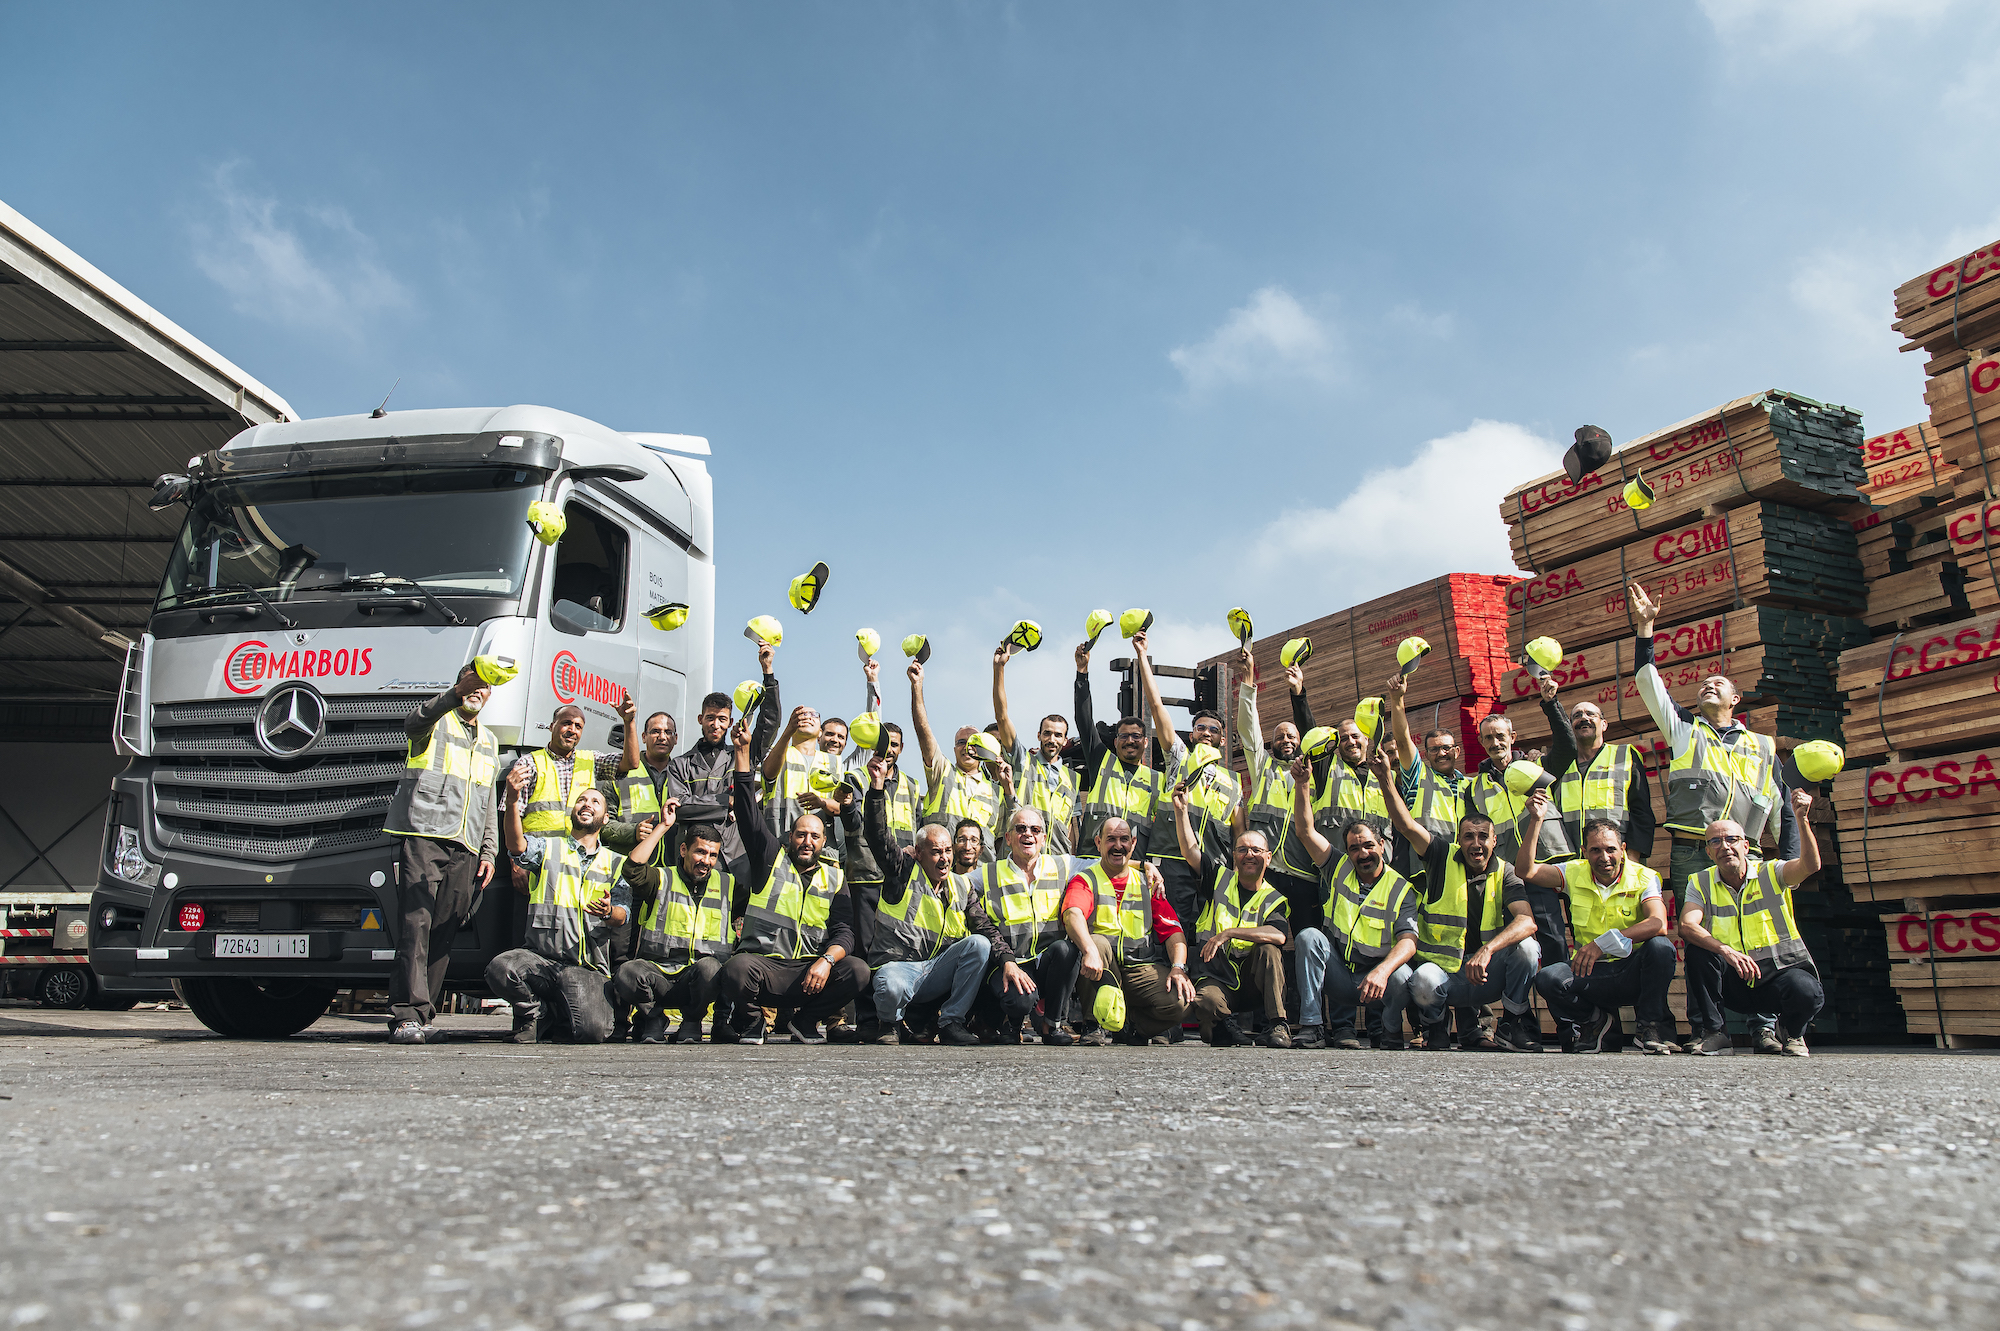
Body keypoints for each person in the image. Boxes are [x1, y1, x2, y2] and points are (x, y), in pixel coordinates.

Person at [1626, 580, 1797, 1056]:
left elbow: (1781, 810)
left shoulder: (1763, 746)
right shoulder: (1684, 731)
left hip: (1753, 855)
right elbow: (1647, 683)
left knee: (1762, 935)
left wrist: (1790, 865)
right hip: (1692, 852)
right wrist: (1646, 629)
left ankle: (1765, 1024)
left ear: (1736, 699)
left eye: (1718, 683)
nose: (1707, 684)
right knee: (1698, 936)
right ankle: (1709, 1028)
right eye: (1704, 683)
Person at [1373, 750, 1544, 1054]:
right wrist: (1387, 779)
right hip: (1443, 973)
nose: (1475, 843)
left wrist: (1487, 950)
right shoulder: (1441, 856)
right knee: (1423, 981)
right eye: (1468, 836)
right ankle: (1436, 1025)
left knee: (1528, 949)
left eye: (1482, 837)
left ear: (1494, 841)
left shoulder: (1505, 871)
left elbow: (1527, 920)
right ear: (1458, 839)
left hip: (1484, 975)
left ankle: (1512, 1021)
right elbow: (1405, 824)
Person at [718, 721, 870, 1045]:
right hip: (767, 970)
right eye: (801, 834)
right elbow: (747, 815)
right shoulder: (770, 857)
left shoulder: (834, 875)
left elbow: (845, 931)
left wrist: (826, 961)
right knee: (736, 969)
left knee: (857, 970)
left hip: (808, 972)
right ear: (790, 836)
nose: (807, 841)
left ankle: (805, 1022)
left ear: (824, 840)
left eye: (815, 836)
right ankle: (754, 1022)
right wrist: (743, 754)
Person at [382, 663, 500, 1045]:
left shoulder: (489, 740)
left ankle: (424, 1014)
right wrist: (452, 695)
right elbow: (412, 723)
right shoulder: (437, 721)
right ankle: (405, 1015)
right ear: (461, 684)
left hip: (465, 845)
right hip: (424, 836)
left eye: (484, 688)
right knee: (415, 924)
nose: (477, 691)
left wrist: (489, 852)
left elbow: (487, 800)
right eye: (472, 684)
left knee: (445, 929)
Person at [857, 758, 1008, 1046]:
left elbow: (985, 928)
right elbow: (877, 836)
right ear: (919, 852)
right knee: (890, 987)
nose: (945, 858)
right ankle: (890, 1024)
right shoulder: (902, 871)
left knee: (980, 944)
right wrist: (876, 791)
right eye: (936, 851)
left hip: (936, 970)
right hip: (899, 968)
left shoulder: (962, 885)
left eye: (948, 851)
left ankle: (951, 1022)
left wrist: (1008, 960)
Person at [1517, 790, 1676, 1054]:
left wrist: (1602, 944)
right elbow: (1526, 871)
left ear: (1623, 850)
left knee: (1661, 948)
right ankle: (1596, 1023)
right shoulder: (1573, 871)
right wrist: (1536, 821)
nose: (1604, 857)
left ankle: (1650, 1026)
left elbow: (1658, 924)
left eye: (1611, 849)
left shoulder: (1645, 876)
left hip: (1631, 973)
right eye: (1595, 850)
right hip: (1592, 974)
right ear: (1584, 852)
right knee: (1548, 978)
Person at [485, 768, 636, 1044]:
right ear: (573, 811)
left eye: (595, 802)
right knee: (500, 967)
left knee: (591, 1032)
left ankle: (558, 1013)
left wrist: (608, 912)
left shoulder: (616, 862)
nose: (587, 804)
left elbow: (623, 914)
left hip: (585, 967)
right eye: (581, 800)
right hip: (540, 960)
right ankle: (535, 1012)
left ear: (604, 818)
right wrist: (512, 802)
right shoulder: (548, 847)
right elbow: (516, 846)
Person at [1677, 789, 1824, 1057]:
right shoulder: (1700, 881)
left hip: (1777, 972)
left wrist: (1802, 820)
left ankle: (1792, 1033)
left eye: (1732, 839)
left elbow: (1810, 865)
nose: (1725, 847)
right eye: (1716, 842)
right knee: (1698, 952)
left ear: (1746, 846)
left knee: (1806, 990)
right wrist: (1726, 951)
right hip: (1734, 978)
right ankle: (1715, 1033)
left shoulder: (1772, 872)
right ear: (1709, 852)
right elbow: (1687, 925)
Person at [1287, 758, 1421, 1050]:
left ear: (1382, 845)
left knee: (1403, 975)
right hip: (1341, 976)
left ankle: (1389, 1031)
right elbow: (1306, 832)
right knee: (1308, 937)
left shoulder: (1400, 887)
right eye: (1354, 848)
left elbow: (1409, 941)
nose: (1362, 854)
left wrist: (1382, 970)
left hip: (1378, 979)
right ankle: (1312, 1027)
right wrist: (1302, 784)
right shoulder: (1337, 866)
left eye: (1368, 845)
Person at [1134, 630, 1241, 967]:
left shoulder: (1234, 782)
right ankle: (1169, 1010)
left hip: (1211, 869)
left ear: (1223, 741)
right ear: (1192, 735)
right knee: (1167, 933)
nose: (1206, 732)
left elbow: (1239, 833)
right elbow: (1156, 706)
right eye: (1200, 728)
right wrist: (1142, 656)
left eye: (1213, 730)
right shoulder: (1180, 759)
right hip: (1171, 863)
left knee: (1207, 938)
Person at [1172, 785, 1291, 1048]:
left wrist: (1229, 933)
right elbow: (1190, 851)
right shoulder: (1218, 878)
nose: (1249, 854)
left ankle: (1277, 1025)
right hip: (1217, 977)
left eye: (1256, 850)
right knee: (1206, 1002)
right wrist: (1182, 812)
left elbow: (1279, 935)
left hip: (1252, 981)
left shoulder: (1273, 898)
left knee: (1270, 951)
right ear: (1234, 856)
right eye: (1243, 850)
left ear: (1268, 858)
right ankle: (1224, 1027)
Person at [1062, 818, 1193, 1045]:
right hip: (1102, 968)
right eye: (1111, 839)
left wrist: (1178, 968)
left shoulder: (1147, 883)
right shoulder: (1086, 879)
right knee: (1096, 943)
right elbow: (1072, 914)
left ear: (1133, 843)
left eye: (1124, 839)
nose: (1118, 845)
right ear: (1098, 843)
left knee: (1181, 1002)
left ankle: (1132, 1028)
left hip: (1139, 970)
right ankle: (1093, 1025)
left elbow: (1173, 932)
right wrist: (1088, 949)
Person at [611, 806, 731, 1045]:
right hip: (658, 977)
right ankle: (653, 1018)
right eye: (700, 852)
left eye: (712, 855)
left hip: (697, 981)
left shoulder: (729, 885)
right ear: (684, 850)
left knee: (711, 968)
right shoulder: (660, 878)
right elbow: (632, 869)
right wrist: (663, 827)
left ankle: (692, 1021)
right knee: (627, 972)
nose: (706, 861)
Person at [972, 805, 1086, 1045]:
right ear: (1009, 838)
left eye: (1035, 829)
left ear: (1043, 839)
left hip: (1046, 962)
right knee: (1020, 1000)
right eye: (1021, 828)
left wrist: (1144, 866)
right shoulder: (989, 872)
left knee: (1068, 950)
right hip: (1009, 964)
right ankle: (1011, 1023)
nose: (1028, 834)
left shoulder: (1062, 865)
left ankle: (1051, 1025)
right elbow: (951, 882)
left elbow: (1103, 865)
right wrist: (913, 857)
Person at [1233, 646, 1320, 929]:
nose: (1287, 739)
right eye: (1280, 736)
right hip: (1265, 874)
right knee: (1265, 942)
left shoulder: (1313, 773)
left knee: (1308, 938)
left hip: (1304, 875)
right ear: (1271, 744)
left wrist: (1299, 691)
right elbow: (1249, 729)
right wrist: (1248, 678)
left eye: (1292, 735)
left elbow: (1311, 732)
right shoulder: (1263, 768)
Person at [1537, 677, 1656, 862]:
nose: (1584, 718)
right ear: (1570, 727)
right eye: (1577, 716)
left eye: (1591, 714)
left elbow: (1642, 812)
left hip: (1616, 860)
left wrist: (1633, 855)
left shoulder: (1625, 756)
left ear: (1604, 724)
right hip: (1572, 863)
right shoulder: (1558, 764)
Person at [1073, 640, 1164, 857]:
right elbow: (1084, 719)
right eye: (1123, 736)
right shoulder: (1101, 761)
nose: (1129, 741)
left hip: (1132, 864)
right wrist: (1082, 673)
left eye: (1136, 736)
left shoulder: (1156, 780)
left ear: (1145, 742)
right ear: (1115, 742)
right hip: (1093, 858)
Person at [908, 659, 1005, 854]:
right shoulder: (942, 772)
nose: (967, 747)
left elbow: (1000, 842)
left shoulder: (996, 791)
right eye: (961, 742)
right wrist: (917, 687)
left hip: (980, 875)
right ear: (954, 749)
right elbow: (923, 730)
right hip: (941, 870)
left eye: (973, 742)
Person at [992, 646, 1080, 854]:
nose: (1052, 739)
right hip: (1019, 858)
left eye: (1058, 735)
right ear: (1038, 735)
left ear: (1065, 740)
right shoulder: (1023, 761)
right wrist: (999, 669)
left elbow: (1070, 827)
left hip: (1055, 864)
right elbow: (1002, 717)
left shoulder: (1073, 779)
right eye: (1047, 733)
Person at [1464, 708, 1571, 868]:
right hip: (1510, 868)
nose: (1495, 743)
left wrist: (1551, 704)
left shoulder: (1537, 765)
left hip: (1550, 858)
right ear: (1481, 741)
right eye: (1488, 738)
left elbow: (1569, 748)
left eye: (1500, 736)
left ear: (1512, 737)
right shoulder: (1473, 789)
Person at [1384, 671, 1468, 870]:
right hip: (1429, 867)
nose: (1441, 753)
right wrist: (1397, 700)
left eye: (1446, 748)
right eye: (1434, 749)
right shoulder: (1418, 779)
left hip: (1467, 867)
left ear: (1457, 751)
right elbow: (1403, 742)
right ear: (1426, 754)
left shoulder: (1473, 785)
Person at [1308, 717, 1391, 849]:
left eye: (1355, 736)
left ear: (1366, 739)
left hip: (1377, 862)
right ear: (1337, 744)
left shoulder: (1386, 775)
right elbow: (1311, 733)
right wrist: (1299, 698)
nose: (1351, 742)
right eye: (1344, 739)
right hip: (1336, 862)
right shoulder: (1327, 768)